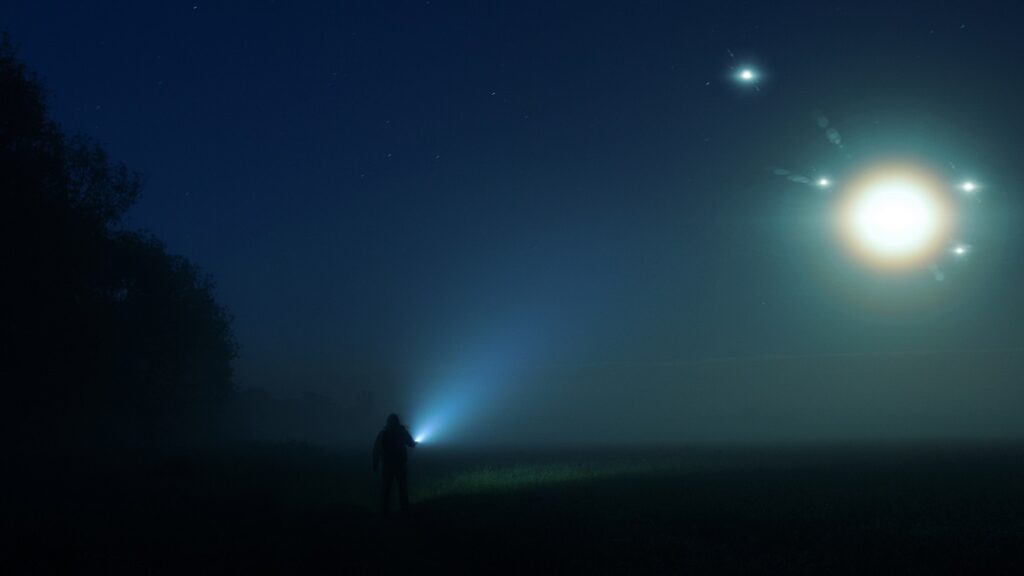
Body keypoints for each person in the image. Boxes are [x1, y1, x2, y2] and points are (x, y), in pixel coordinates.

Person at [373, 413, 417, 514]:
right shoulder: (401, 432)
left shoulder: (383, 433)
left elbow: (376, 449)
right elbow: (410, 443)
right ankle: (404, 510)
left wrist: (375, 463)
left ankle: (385, 511)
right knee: (402, 488)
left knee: (387, 489)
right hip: (400, 465)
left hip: (388, 466)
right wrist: (413, 443)